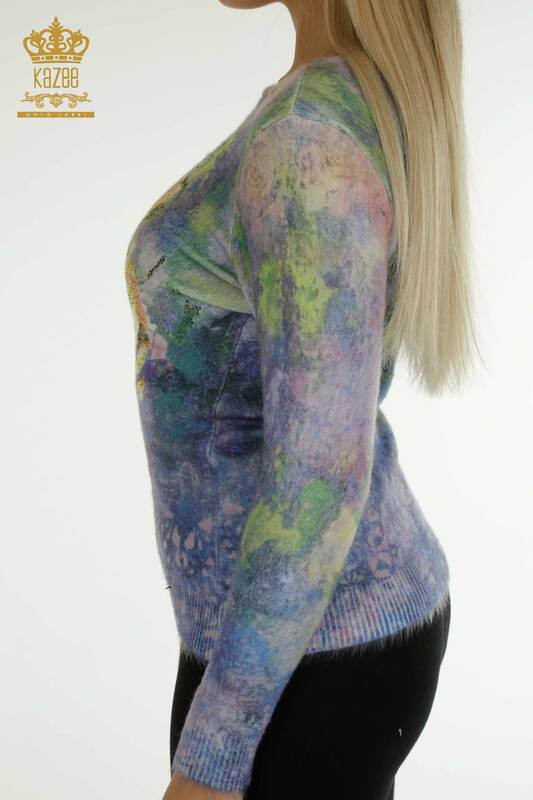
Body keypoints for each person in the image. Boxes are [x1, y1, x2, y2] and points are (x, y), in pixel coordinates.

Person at [124, 1, 478, 798]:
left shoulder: (305, 147)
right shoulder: (331, 104)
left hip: (305, 655)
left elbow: (316, 481)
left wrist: (208, 763)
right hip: (282, 638)